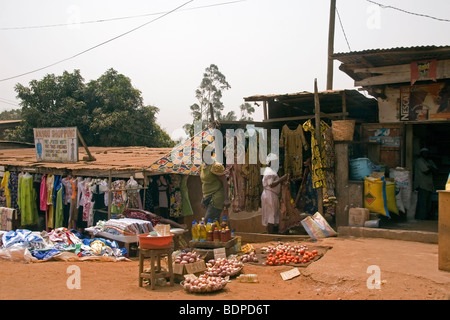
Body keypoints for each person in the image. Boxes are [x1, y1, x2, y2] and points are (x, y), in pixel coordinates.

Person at [199, 143, 230, 222]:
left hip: (216, 197)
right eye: (202, 153)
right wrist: (203, 198)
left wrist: (226, 199)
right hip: (207, 197)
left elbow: (225, 182)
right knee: (215, 224)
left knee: (208, 222)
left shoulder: (215, 166)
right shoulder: (202, 167)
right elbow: (204, 183)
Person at [261, 153, 288, 234]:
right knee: (271, 215)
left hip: (270, 194)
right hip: (270, 195)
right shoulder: (270, 172)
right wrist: (282, 179)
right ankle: (270, 235)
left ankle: (271, 233)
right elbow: (271, 184)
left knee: (271, 214)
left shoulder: (270, 171)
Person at [414, 148, 438, 220]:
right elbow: (426, 171)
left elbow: (436, 171)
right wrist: (431, 168)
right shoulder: (419, 161)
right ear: (421, 154)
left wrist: (431, 168)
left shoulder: (430, 161)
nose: (426, 154)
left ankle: (426, 218)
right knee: (422, 204)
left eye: (427, 153)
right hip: (422, 185)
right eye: (424, 153)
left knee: (428, 204)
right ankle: (421, 218)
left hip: (429, 186)